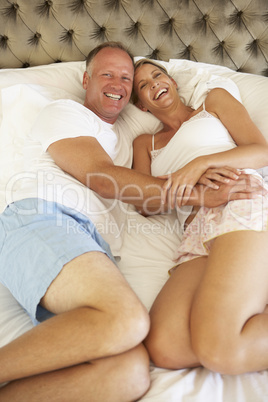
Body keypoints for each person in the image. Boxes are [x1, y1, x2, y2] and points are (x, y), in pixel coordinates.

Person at [0, 43, 263, 402]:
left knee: (129, 375)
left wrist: (196, 168)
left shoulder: (196, 108)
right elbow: (105, 177)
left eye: (128, 77)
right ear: (85, 79)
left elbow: (143, 194)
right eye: (109, 74)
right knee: (155, 338)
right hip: (46, 216)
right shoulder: (69, 113)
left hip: (229, 203)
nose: (120, 83)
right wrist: (197, 194)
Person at [132, 58, 268, 375]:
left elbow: (262, 149)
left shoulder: (213, 101)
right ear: (141, 106)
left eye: (157, 74)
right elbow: (145, 203)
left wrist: (200, 164)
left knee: (221, 350)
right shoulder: (145, 145)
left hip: (238, 200)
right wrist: (189, 185)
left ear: (174, 82)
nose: (153, 83)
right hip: (194, 229)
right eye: (143, 85)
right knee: (166, 346)